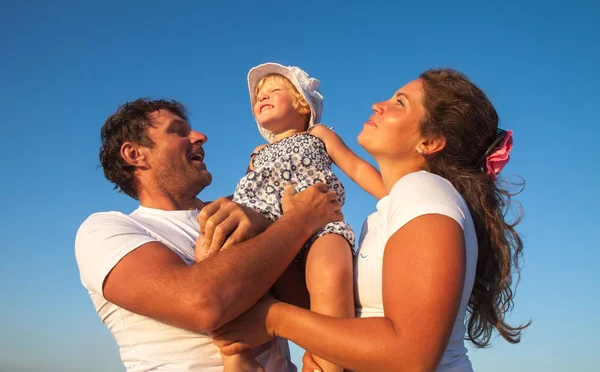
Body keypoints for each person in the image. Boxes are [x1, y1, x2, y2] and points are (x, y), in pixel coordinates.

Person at [211, 68, 530, 372]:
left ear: (430, 142)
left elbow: (410, 357)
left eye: (399, 103)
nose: (378, 104)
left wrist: (275, 319)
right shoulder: (394, 208)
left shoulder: (423, 189)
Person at [74, 98, 343, 371]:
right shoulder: (106, 231)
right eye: (177, 131)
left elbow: (308, 304)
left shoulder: (243, 214)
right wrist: (300, 220)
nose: (201, 137)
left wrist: (266, 222)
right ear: (135, 154)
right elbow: (201, 303)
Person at [209, 63, 385, 372]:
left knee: (331, 271)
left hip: (319, 223)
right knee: (215, 256)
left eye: (275, 90)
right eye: (259, 96)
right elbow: (246, 197)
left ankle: (328, 362)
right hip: (267, 236)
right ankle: (236, 355)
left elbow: (356, 167)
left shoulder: (318, 135)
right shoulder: (257, 152)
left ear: (303, 103)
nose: (262, 97)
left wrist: (393, 194)